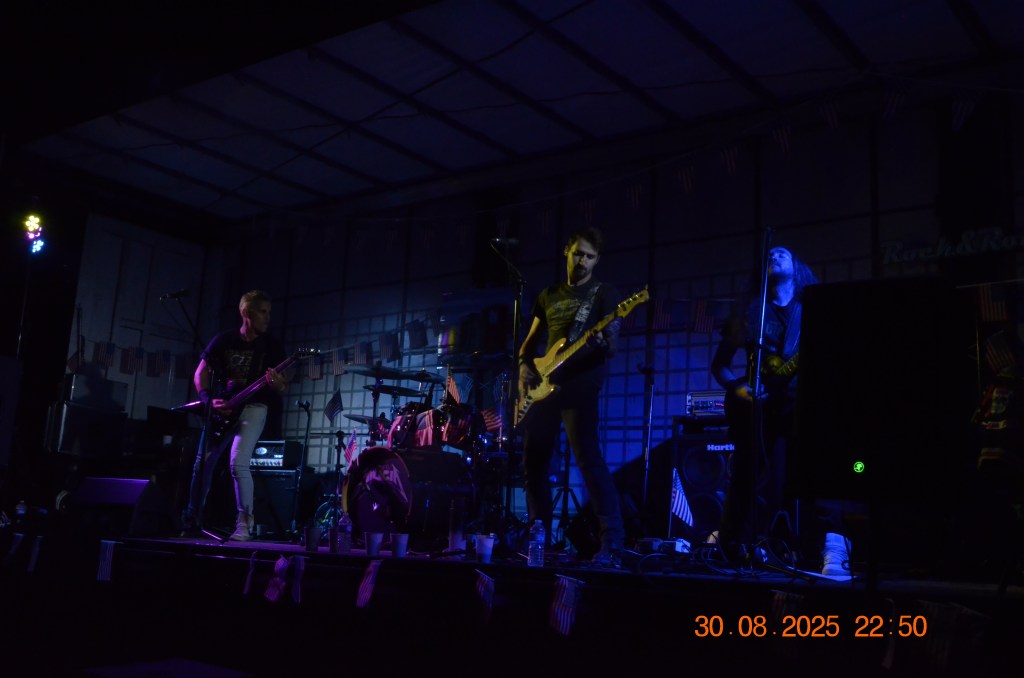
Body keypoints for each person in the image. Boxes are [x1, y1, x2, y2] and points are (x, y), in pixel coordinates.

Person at [710, 246, 851, 575]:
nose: (775, 256)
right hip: (764, 409)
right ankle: (734, 545)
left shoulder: (812, 308)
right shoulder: (751, 313)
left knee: (820, 473)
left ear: (797, 267)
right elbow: (720, 365)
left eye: (783, 253)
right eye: (770, 254)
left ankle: (834, 545)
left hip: (806, 404)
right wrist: (738, 388)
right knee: (754, 477)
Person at [517, 226, 625, 567]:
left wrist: (605, 342)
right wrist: (523, 368)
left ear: (597, 260)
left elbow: (612, 344)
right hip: (543, 386)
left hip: (581, 384)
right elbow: (528, 345)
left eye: (590, 256)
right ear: (567, 251)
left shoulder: (603, 293)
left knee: (589, 460)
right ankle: (538, 538)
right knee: (533, 464)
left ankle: (612, 542)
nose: (583, 261)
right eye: (578, 253)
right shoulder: (548, 295)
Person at [181, 290, 289, 541]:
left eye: (269, 313)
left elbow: (283, 385)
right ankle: (192, 519)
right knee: (203, 463)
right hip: (223, 408)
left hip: (254, 407)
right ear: (246, 312)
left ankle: (244, 525)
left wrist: (277, 384)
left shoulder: (271, 346)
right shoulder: (224, 340)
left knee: (238, 463)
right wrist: (208, 400)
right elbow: (200, 372)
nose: (268, 317)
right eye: (263, 312)